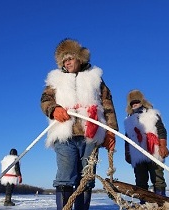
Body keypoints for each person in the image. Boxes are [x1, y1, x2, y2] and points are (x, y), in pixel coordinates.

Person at [40, 38, 119, 210]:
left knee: (87, 177)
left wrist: (111, 132)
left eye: (70, 58)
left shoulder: (95, 77)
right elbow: (45, 100)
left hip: (91, 134)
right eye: (64, 60)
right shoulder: (55, 79)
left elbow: (108, 105)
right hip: (64, 133)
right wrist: (53, 109)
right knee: (65, 175)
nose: (67, 63)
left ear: (79, 58)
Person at [124, 89, 169, 198]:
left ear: (142, 102)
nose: (135, 104)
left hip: (154, 151)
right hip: (137, 154)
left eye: (137, 102)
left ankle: (160, 201)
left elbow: (161, 130)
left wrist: (163, 145)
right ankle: (144, 204)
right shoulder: (128, 120)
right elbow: (127, 138)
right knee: (140, 180)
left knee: (158, 178)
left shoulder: (152, 114)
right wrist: (127, 154)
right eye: (132, 103)